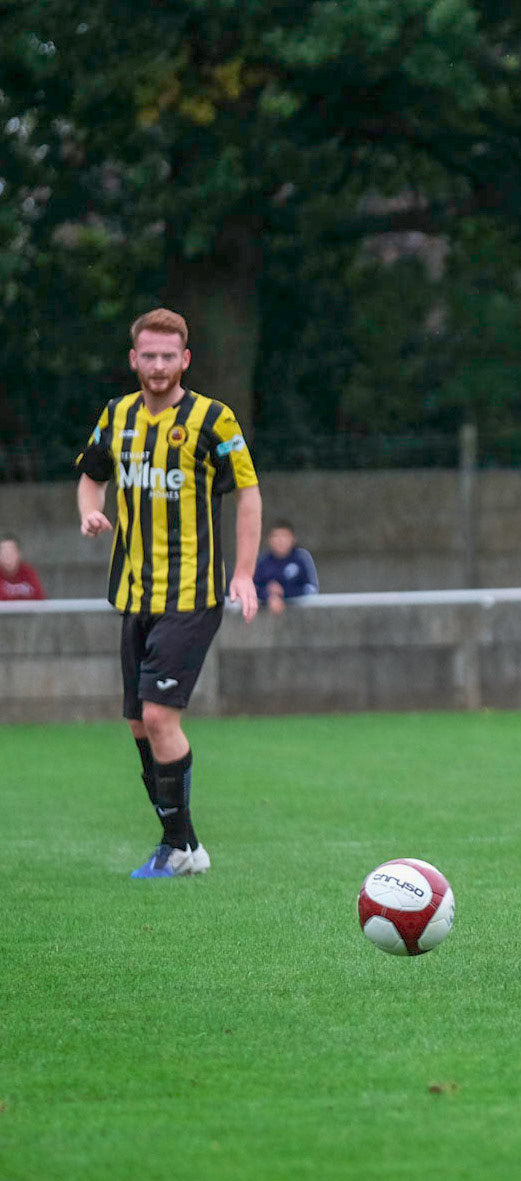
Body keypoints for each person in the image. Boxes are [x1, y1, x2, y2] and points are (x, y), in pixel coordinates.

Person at [75, 307, 262, 880]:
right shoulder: (117, 415)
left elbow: (248, 494)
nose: (157, 366)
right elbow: (92, 474)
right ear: (134, 359)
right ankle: (184, 844)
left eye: (168, 356)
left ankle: (178, 850)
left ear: (185, 359)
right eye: (147, 355)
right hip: (133, 592)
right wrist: (90, 511)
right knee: (138, 723)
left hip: (191, 592)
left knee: (159, 716)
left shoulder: (214, 419)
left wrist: (246, 572)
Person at [254, 520, 319, 614]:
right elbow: (253, 588)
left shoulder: (301, 558)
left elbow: (311, 589)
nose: (280, 541)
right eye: (276, 536)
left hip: (301, 616)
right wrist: (269, 594)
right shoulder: (262, 561)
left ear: (293, 539)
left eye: (284, 536)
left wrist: (283, 593)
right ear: (269, 540)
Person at [0, 535, 47, 601]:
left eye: (10, 551)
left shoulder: (28, 572)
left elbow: (39, 597)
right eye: (3, 552)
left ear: (19, 554)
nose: (6, 555)